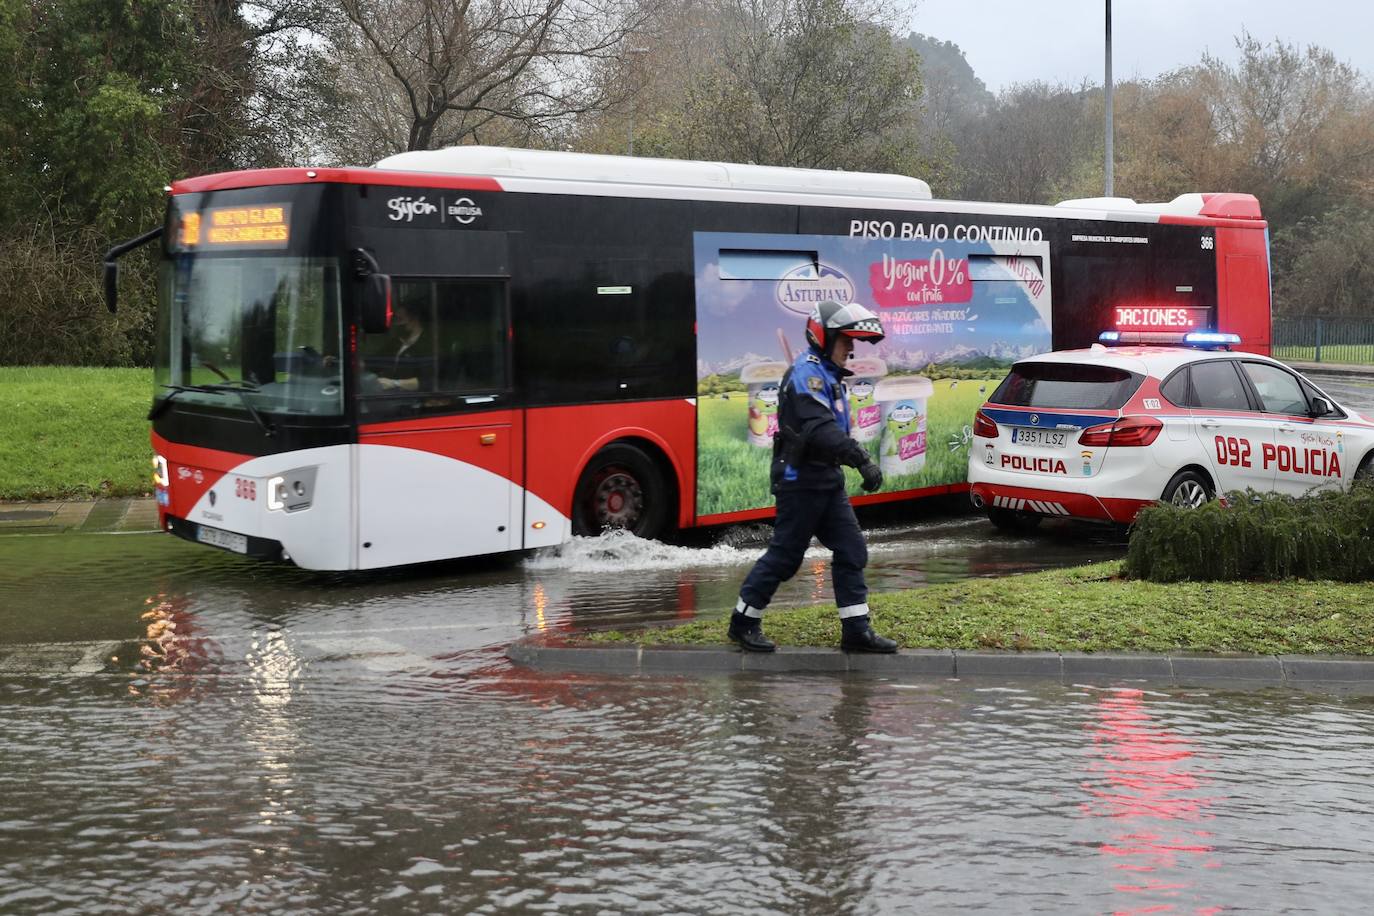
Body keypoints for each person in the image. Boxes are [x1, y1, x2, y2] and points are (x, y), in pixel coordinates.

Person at [728, 300, 898, 654]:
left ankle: (856, 631)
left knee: (852, 550)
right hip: (800, 481)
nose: (851, 348)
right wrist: (862, 460)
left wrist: (849, 461)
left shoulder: (829, 375)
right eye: (845, 341)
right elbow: (821, 429)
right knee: (786, 556)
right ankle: (743, 621)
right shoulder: (809, 374)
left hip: (826, 480)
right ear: (825, 337)